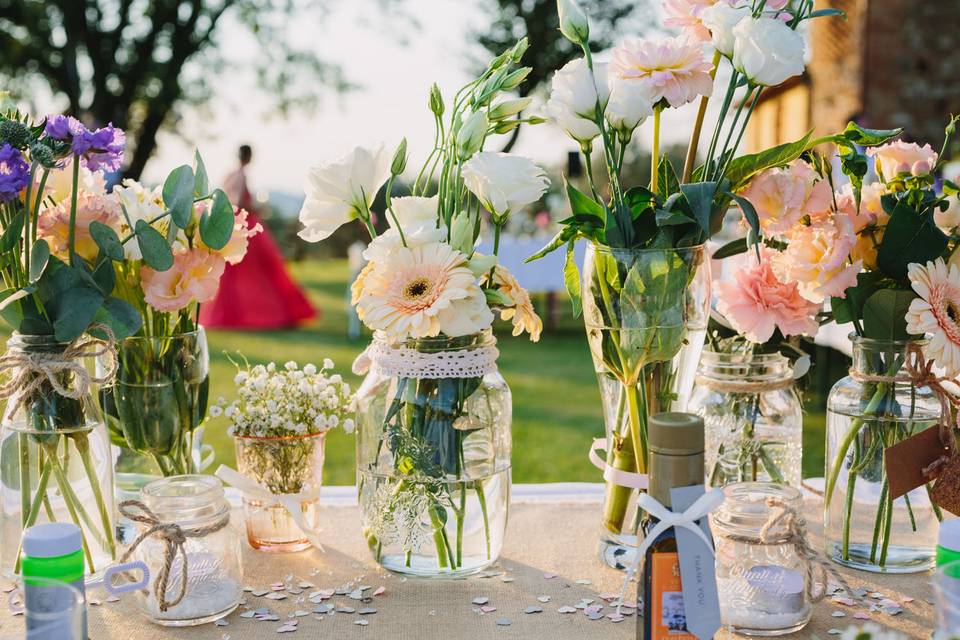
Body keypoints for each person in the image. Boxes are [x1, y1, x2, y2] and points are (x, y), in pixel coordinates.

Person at [199, 145, 317, 329]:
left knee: (233, 275)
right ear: (248, 157)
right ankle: (271, 314)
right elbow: (238, 203)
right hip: (245, 226)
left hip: (232, 226)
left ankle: (231, 315)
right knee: (264, 270)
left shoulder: (230, 175)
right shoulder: (241, 175)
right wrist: (256, 208)